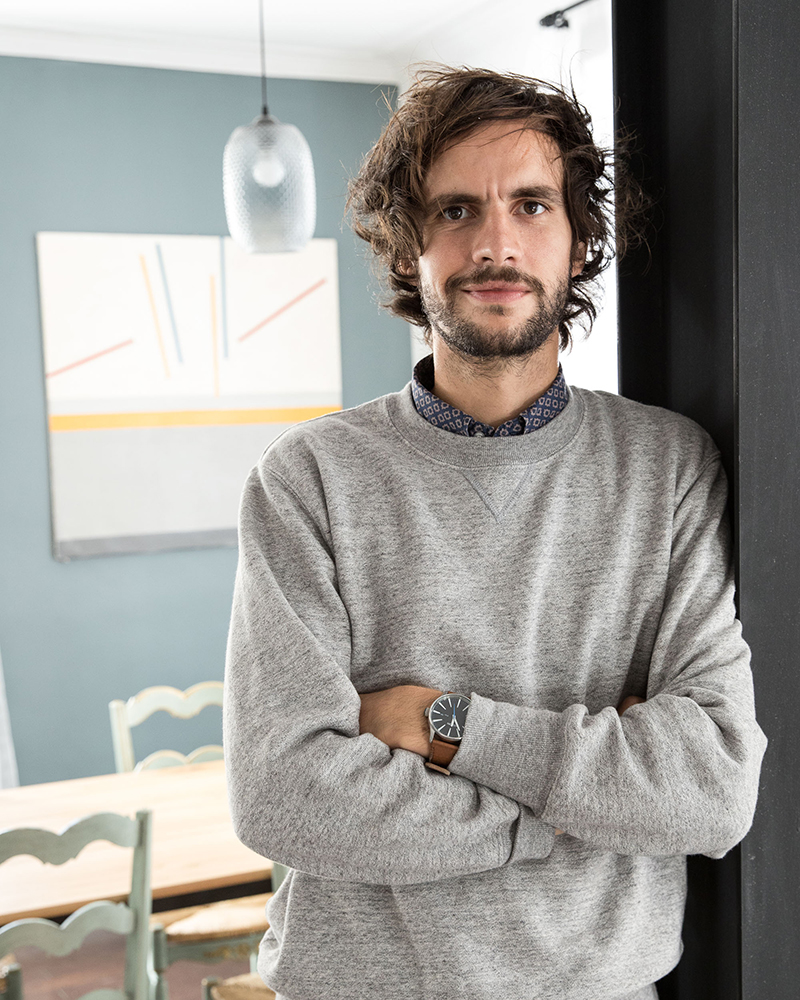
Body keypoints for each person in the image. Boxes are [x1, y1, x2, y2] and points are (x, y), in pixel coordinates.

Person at [223, 67, 767, 1000]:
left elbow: (712, 785)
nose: (496, 243)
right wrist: (575, 809)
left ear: (579, 238)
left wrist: (448, 726)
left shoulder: (669, 469)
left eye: (531, 204)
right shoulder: (308, 479)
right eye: (455, 211)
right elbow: (285, 794)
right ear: (408, 251)